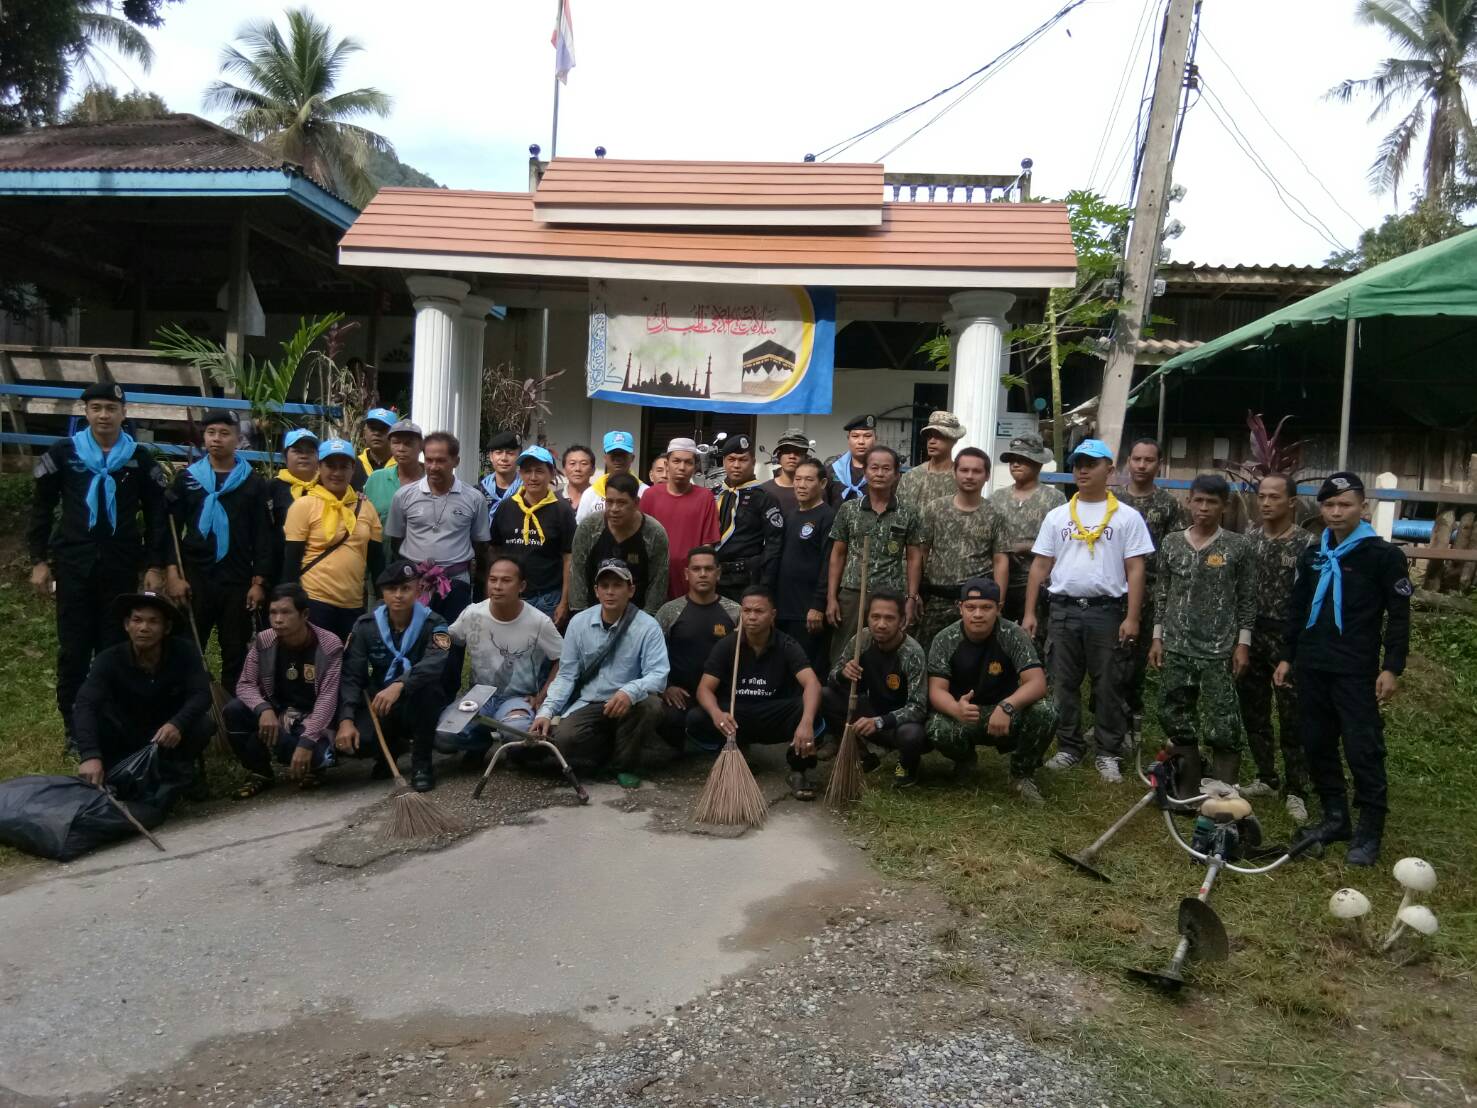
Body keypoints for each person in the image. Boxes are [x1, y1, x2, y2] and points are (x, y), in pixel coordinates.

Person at [1278, 472, 1411, 867]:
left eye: (1345, 504)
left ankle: (1370, 828)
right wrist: (1287, 656)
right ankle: (1335, 816)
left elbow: (1399, 616)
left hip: (1355, 669)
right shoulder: (1313, 553)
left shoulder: (1382, 556)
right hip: (1312, 664)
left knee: (1362, 747)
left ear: (1362, 507)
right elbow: (1297, 608)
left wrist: (1392, 667)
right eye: (1329, 505)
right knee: (1316, 741)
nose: (1336, 512)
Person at [29, 382, 169, 746]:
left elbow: (157, 516)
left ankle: (112, 724)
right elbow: (42, 508)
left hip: (120, 567)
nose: (104, 415)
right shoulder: (65, 453)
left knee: (116, 648)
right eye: (96, 408)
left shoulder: (139, 458)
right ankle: (75, 729)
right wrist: (39, 560)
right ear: (85, 412)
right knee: (74, 650)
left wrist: (154, 565)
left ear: (124, 413)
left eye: (111, 408)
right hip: (74, 565)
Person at [1024, 439, 1153, 783]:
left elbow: (1135, 569)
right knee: (1062, 682)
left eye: (1090, 464)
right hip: (1063, 610)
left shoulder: (1127, 517)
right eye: (1078, 464)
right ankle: (1069, 745)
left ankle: (1108, 751)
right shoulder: (1058, 516)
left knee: (1108, 683)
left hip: (1105, 611)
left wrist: (1132, 617)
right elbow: (1040, 566)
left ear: (1109, 470)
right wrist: (1030, 612)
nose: (1082, 470)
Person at [1149, 474, 1256, 797]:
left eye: (1212, 502)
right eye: (1199, 500)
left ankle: (1221, 795)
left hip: (1218, 649)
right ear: (1189, 502)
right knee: (1174, 713)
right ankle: (1187, 787)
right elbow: (1162, 592)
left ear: (1225, 506)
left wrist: (1243, 643)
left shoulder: (1238, 546)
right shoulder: (1172, 543)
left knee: (1223, 720)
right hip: (1176, 645)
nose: (1204, 508)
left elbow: (1247, 598)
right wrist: (1157, 637)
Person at [530, 559, 670, 783]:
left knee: (651, 706)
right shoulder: (579, 623)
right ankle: (606, 751)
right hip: (590, 702)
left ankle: (625, 767)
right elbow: (566, 675)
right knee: (565, 740)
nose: (610, 592)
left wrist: (630, 691)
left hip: (629, 703)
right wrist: (546, 712)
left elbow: (658, 674)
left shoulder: (648, 626)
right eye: (604, 586)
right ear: (596, 591)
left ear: (631, 590)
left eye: (618, 585)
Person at [164, 408, 272, 693]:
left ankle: (229, 708)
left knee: (234, 648)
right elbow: (170, 530)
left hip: (236, 578)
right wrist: (173, 574)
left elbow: (263, 536)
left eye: (225, 433)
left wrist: (259, 582)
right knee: (188, 645)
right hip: (195, 576)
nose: (216, 439)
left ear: (237, 439)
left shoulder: (252, 483)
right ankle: (188, 703)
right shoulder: (188, 479)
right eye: (211, 433)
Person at [926, 579, 1057, 803]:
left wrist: (1007, 706)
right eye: (971, 607)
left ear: (998, 608)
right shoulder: (944, 639)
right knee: (936, 728)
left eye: (986, 607)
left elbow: (1037, 683)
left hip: (1006, 714)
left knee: (1046, 711)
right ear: (960, 608)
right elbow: (936, 690)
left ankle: (1021, 774)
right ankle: (965, 761)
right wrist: (956, 709)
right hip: (967, 714)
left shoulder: (1012, 634)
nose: (978, 614)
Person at [691, 586, 824, 800]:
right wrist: (716, 714)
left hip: (773, 714)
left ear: (772, 615)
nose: (752, 617)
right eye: (747, 611)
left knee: (812, 710)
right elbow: (704, 689)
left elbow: (812, 683)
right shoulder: (728, 645)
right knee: (697, 717)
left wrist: (806, 722)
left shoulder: (786, 644)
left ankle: (798, 770)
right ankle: (733, 755)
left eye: (759, 611)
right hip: (736, 717)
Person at [1237, 473, 1316, 821]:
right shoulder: (1249, 539)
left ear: (1292, 502)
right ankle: (1266, 777)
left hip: (1289, 639)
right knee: (1253, 711)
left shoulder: (1308, 545)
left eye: (1275, 497)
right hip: (1252, 635)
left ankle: (1297, 788)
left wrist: (1296, 648)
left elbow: (1313, 600)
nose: (1266, 503)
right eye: (1262, 496)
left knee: (1293, 717)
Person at [71, 592, 211, 787]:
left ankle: (181, 771)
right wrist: (89, 755)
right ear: (126, 625)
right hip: (126, 734)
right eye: (137, 620)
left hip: (167, 735)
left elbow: (202, 694)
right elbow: (85, 704)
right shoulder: (108, 660)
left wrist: (178, 723)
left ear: (167, 628)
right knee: (94, 715)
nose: (144, 628)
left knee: (203, 724)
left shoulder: (185, 652)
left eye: (153, 621)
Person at [336, 559, 451, 792]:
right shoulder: (366, 626)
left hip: (418, 699)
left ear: (418, 590)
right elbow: (352, 675)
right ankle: (389, 751)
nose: (398, 595)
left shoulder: (433, 622)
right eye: (391, 589)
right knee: (359, 742)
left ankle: (422, 764)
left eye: (405, 588)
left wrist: (400, 685)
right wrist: (345, 719)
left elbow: (435, 662)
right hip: (382, 701)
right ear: (382, 592)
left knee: (428, 691)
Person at [224, 584, 344, 797]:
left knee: (318, 757)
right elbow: (245, 684)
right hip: (279, 713)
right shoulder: (264, 641)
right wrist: (263, 709)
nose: (278, 619)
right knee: (234, 710)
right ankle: (260, 772)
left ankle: (314, 766)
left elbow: (327, 699)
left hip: (312, 718)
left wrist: (307, 742)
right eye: (273, 612)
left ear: (304, 614)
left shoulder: (329, 645)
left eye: (286, 612)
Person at [444, 555, 564, 762]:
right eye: (493, 580)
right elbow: (450, 639)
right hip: (478, 695)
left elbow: (563, 660)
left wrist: (542, 696)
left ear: (521, 586)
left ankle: (512, 746)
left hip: (518, 698)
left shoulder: (539, 621)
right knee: (444, 736)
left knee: (520, 736)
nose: (497, 586)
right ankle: (480, 741)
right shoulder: (472, 613)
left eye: (506, 580)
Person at [825, 445, 924, 663]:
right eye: (874, 468)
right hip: (853, 592)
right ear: (865, 472)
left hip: (891, 594)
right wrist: (832, 597)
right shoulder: (848, 509)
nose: (880, 473)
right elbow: (838, 555)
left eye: (886, 469)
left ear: (897, 474)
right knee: (844, 653)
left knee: (888, 654)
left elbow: (914, 558)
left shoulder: (909, 512)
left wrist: (911, 597)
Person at [281, 438, 384, 641]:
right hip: (314, 601)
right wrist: (290, 604)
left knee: (349, 658)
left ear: (353, 469)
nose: (337, 473)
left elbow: (376, 561)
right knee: (315, 659)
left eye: (343, 466)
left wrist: (383, 600)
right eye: (330, 466)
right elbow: (291, 560)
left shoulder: (366, 507)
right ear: (319, 467)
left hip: (353, 604)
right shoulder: (303, 505)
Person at [1117, 437, 1187, 733]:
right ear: (1128, 462)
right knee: (1110, 658)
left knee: (1136, 660)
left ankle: (1132, 719)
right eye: (1137, 459)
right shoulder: (1112, 500)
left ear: (1159, 464)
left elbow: (1175, 552)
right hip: (1114, 589)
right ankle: (1106, 719)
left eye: (1149, 460)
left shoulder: (1169, 504)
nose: (1142, 465)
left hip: (1153, 592)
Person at [385, 430, 490, 627]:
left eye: (441, 461)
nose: (433, 467)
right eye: (429, 460)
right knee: (413, 636)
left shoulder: (474, 498)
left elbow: (480, 545)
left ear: (456, 461)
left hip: (456, 583)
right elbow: (396, 541)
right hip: (414, 583)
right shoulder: (404, 496)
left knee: (451, 637)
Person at [824, 589, 928, 788]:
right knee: (825, 695)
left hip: (897, 724)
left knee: (911, 735)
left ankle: (907, 766)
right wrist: (843, 674)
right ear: (867, 618)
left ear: (902, 620)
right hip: (870, 712)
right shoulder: (861, 640)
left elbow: (918, 708)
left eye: (889, 618)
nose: (881, 624)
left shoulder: (913, 653)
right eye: (875, 617)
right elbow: (831, 678)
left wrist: (880, 722)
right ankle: (863, 756)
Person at [917, 447, 1004, 648]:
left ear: (987, 476)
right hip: (937, 599)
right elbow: (921, 552)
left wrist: (999, 601)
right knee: (932, 654)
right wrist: (914, 594)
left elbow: (1000, 560)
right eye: (964, 470)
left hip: (977, 603)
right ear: (954, 473)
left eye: (976, 471)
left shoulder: (995, 514)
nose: (970, 476)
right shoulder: (935, 509)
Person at [656, 546, 741, 749]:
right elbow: (652, 655)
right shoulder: (669, 612)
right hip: (680, 694)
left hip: (721, 694)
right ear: (686, 574)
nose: (702, 574)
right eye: (696, 569)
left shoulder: (736, 612)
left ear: (718, 573)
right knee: (669, 719)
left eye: (708, 569)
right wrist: (666, 687)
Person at [989, 433, 1065, 640]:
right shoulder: (997, 498)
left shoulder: (1054, 499)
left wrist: (1026, 547)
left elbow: (1062, 544)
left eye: (1022, 459)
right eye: (1012, 459)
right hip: (1000, 583)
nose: (1016, 464)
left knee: (1035, 641)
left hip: (1039, 584)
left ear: (1038, 463)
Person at [489, 445, 577, 624]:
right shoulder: (506, 507)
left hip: (547, 598)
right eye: (527, 471)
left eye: (539, 471)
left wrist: (564, 602)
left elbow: (569, 558)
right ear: (520, 474)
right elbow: (494, 550)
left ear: (551, 474)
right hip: (509, 596)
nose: (533, 477)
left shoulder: (562, 510)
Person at [570, 473, 669, 615]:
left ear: (636, 503)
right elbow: (577, 575)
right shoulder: (589, 527)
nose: (614, 509)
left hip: (638, 613)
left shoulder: (654, 533)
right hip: (593, 611)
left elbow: (658, 582)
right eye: (609, 502)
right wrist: (580, 615)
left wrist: (648, 620)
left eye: (622, 503)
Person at [770, 458, 833, 669]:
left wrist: (818, 605)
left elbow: (829, 563)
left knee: (806, 668)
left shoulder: (828, 517)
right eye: (798, 479)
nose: (801, 485)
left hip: (808, 611)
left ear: (822, 483)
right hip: (784, 607)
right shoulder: (789, 516)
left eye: (808, 480)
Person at [642, 437, 720, 599]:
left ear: (695, 466)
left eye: (688, 462)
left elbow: (708, 544)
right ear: (667, 464)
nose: (682, 467)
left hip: (690, 582)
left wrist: (700, 576)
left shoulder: (705, 497)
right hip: (654, 578)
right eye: (676, 461)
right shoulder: (650, 495)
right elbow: (641, 538)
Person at [713, 433, 785, 602]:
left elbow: (774, 545)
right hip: (713, 576)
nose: (736, 465)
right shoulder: (715, 494)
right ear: (724, 462)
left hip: (745, 579)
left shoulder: (764, 497)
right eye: (731, 459)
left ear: (753, 462)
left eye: (743, 460)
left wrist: (765, 586)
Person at [897, 411, 966, 514]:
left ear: (954, 439)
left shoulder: (962, 478)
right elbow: (900, 514)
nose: (932, 441)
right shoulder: (911, 477)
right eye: (929, 436)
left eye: (939, 436)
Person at [577, 430, 648, 523]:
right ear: (605, 458)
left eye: (623, 455)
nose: (618, 459)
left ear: (632, 458)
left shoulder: (645, 492)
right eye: (613, 455)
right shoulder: (591, 494)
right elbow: (581, 526)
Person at [363, 419, 424, 525]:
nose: (401, 448)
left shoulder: (431, 479)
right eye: (396, 442)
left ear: (421, 446)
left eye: (408, 443)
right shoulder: (376, 479)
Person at [825, 414, 877, 506]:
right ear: (848, 439)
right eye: (855, 436)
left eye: (867, 436)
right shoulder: (833, 470)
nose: (861, 442)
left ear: (876, 439)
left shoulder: (884, 471)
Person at [762, 429, 810, 516]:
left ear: (806, 457)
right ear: (779, 456)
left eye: (797, 451)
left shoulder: (815, 491)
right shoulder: (764, 491)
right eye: (787, 451)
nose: (792, 456)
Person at [480, 429, 522, 516]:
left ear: (519, 456)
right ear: (491, 456)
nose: (504, 458)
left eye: (510, 453)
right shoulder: (479, 492)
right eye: (498, 453)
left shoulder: (526, 491)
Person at [356, 407, 398, 490]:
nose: (377, 433)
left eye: (383, 429)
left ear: (394, 434)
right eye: (373, 428)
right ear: (364, 433)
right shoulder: (352, 467)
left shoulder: (402, 467)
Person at [562, 444, 596, 515]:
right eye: (572, 463)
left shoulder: (600, 499)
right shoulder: (553, 499)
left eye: (584, 463)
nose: (577, 469)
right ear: (564, 470)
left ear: (593, 470)